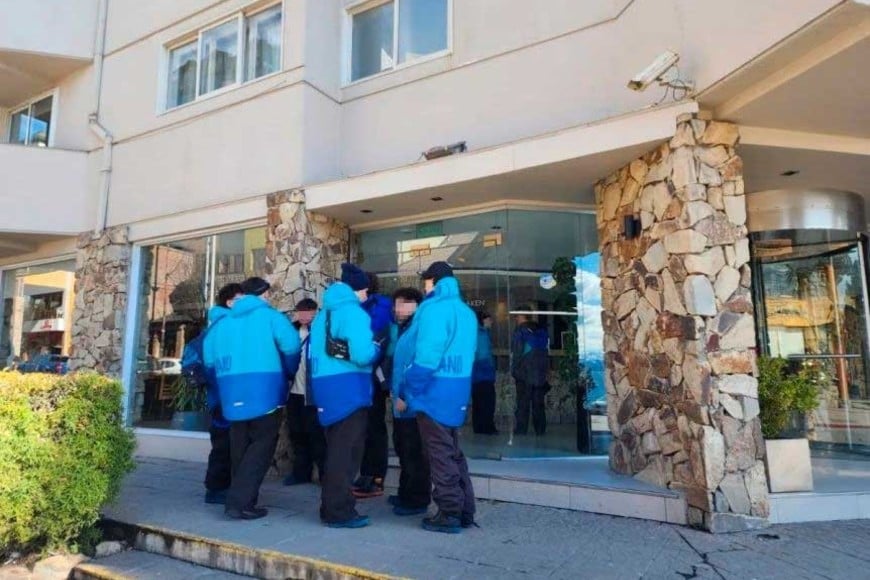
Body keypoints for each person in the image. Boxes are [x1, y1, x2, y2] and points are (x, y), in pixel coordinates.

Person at [203, 277, 301, 520]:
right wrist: (287, 373)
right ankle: (239, 503)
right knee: (261, 448)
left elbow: (209, 361)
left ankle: (242, 498)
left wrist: (224, 385)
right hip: (265, 391)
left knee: (239, 448)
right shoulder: (271, 316)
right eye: (268, 293)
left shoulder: (222, 323)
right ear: (262, 294)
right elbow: (291, 347)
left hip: (231, 393)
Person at [400, 261, 477, 534]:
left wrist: (409, 386)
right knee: (453, 452)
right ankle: (465, 509)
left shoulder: (433, 310)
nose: (424, 285)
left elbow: (426, 358)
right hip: (457, 390)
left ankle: (449, 513)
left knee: (439, 455)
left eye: (426, 280)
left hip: (433, 391)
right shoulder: (466, 312)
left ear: (433, 281)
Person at [309, 263, 382, 528]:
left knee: (335, 450)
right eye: (365, 291)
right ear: (359, 289)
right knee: (347, 454)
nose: (365, 296)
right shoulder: (353, 312)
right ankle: (338, 511)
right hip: (350, 389)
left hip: (326, 389)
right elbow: (362, 355)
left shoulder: (323, 313)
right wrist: (376, 350)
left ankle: (330, 506)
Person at [181, 282, 244, 505]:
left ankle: (218, 487)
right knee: (224, 443)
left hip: (219, 394)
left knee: (224, 442)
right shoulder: (225, 326)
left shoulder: (216, 324)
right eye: (240, 299)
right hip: (223, 395)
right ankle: (217, 489)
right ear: (229, 302)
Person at [386, 287, 431, 516]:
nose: (398, 308)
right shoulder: (403, 329)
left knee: (414, 453)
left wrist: (405, 396)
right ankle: (405, 493)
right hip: (400, 403)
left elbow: (417, 366)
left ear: (417, 305)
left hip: (411, 405)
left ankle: (417, 499)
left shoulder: (418, 329)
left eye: (404, 303)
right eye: (396, 303)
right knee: (404, 450)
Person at [353, 272, 393, 499]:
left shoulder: (381, 306)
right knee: (363, 427)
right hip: (357, 377)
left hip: (372, 376)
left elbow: (376, 340)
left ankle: (375, 476)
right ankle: (367, 473)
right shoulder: (355, 308)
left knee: (373, 425)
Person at [282, 298, 326, 487]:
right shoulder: (291, 331)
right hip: (294, 392)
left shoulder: (321, 332)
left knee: (317, 435)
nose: (304, 315)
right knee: (297, 433)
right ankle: (301, 473)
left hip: (313, 393)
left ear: (316, 313)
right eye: (300, 312)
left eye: (308, 312)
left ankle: (325, 474)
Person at [511, 306, 550, 436]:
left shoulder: (520, 331)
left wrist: (514, 370)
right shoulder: (542, 330)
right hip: (540, 373)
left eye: (516, 316)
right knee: (538, 403)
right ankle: (540, 430)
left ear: (522, 316)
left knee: (523, 403)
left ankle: (521, 430)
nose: (515, 318)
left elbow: (517, 352)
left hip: (524, 372)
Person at [471, 310, 498, 435]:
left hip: (476, 375)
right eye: (489, 319)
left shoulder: (475, 333)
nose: (491, 322)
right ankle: (487, 427)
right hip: (484, 374)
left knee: (478, 402)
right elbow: (482, 355)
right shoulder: (481, 334)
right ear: (483, 320)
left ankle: (479, 427)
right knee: (487, 402)